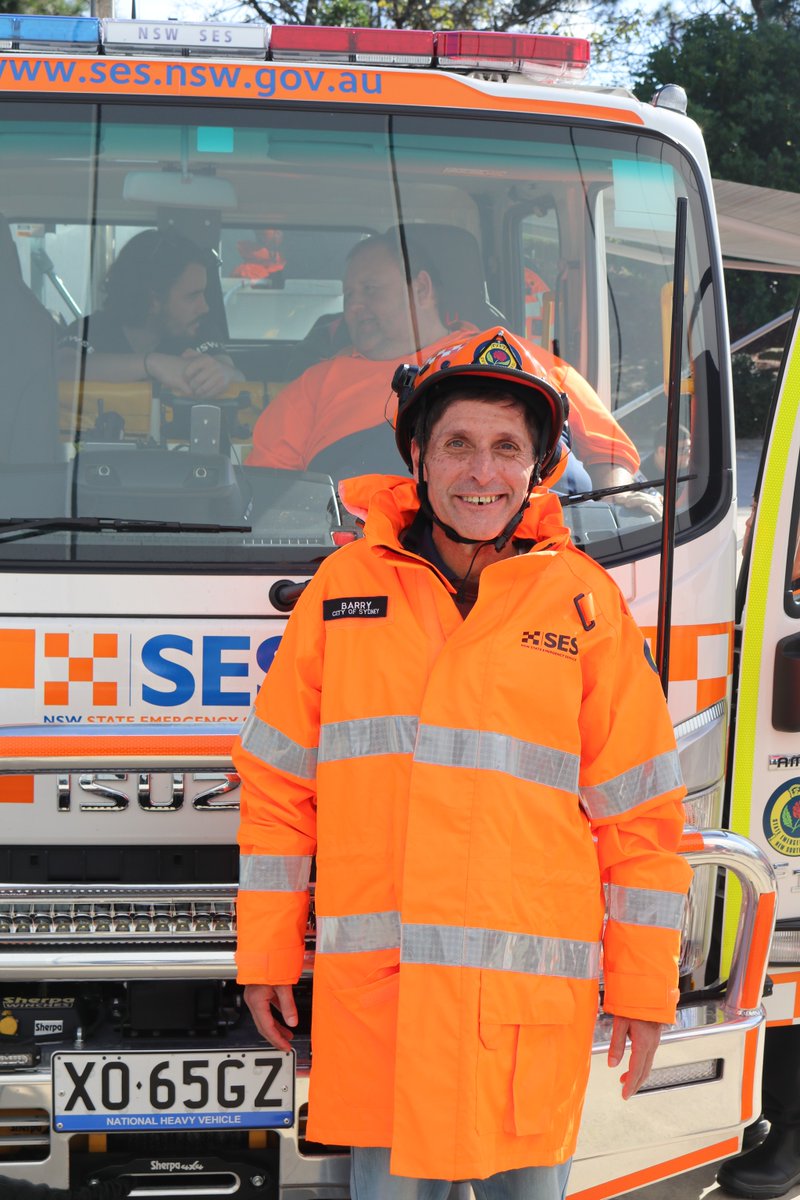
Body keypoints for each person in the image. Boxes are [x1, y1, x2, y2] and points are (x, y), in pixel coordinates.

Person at [234, 326, 693, 1197]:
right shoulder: (342, 594)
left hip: (522, 1023)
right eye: (458, 445)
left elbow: (641, 818)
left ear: (539, 467)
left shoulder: (585, 604)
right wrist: (264, 955)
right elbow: (279, 791)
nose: (482, 472)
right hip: (389, 1015)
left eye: (506, 448)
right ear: (418, 454)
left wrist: (643, 987)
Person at [246, 232, 659, 517]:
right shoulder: (315, 387)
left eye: (370, 290)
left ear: (422, 289)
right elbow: (268, 499)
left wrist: (623, 501)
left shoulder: (514, 356)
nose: (354, 306)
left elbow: (609, 454)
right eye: (349, 294)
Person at [59, 229, 242, 400]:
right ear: (153, 300)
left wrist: (223, 374)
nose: (205, 307)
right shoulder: (93, 330)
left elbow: (236, 377)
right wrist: (152, 364)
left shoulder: (199, 329)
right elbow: (62, 368)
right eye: (192, 296)